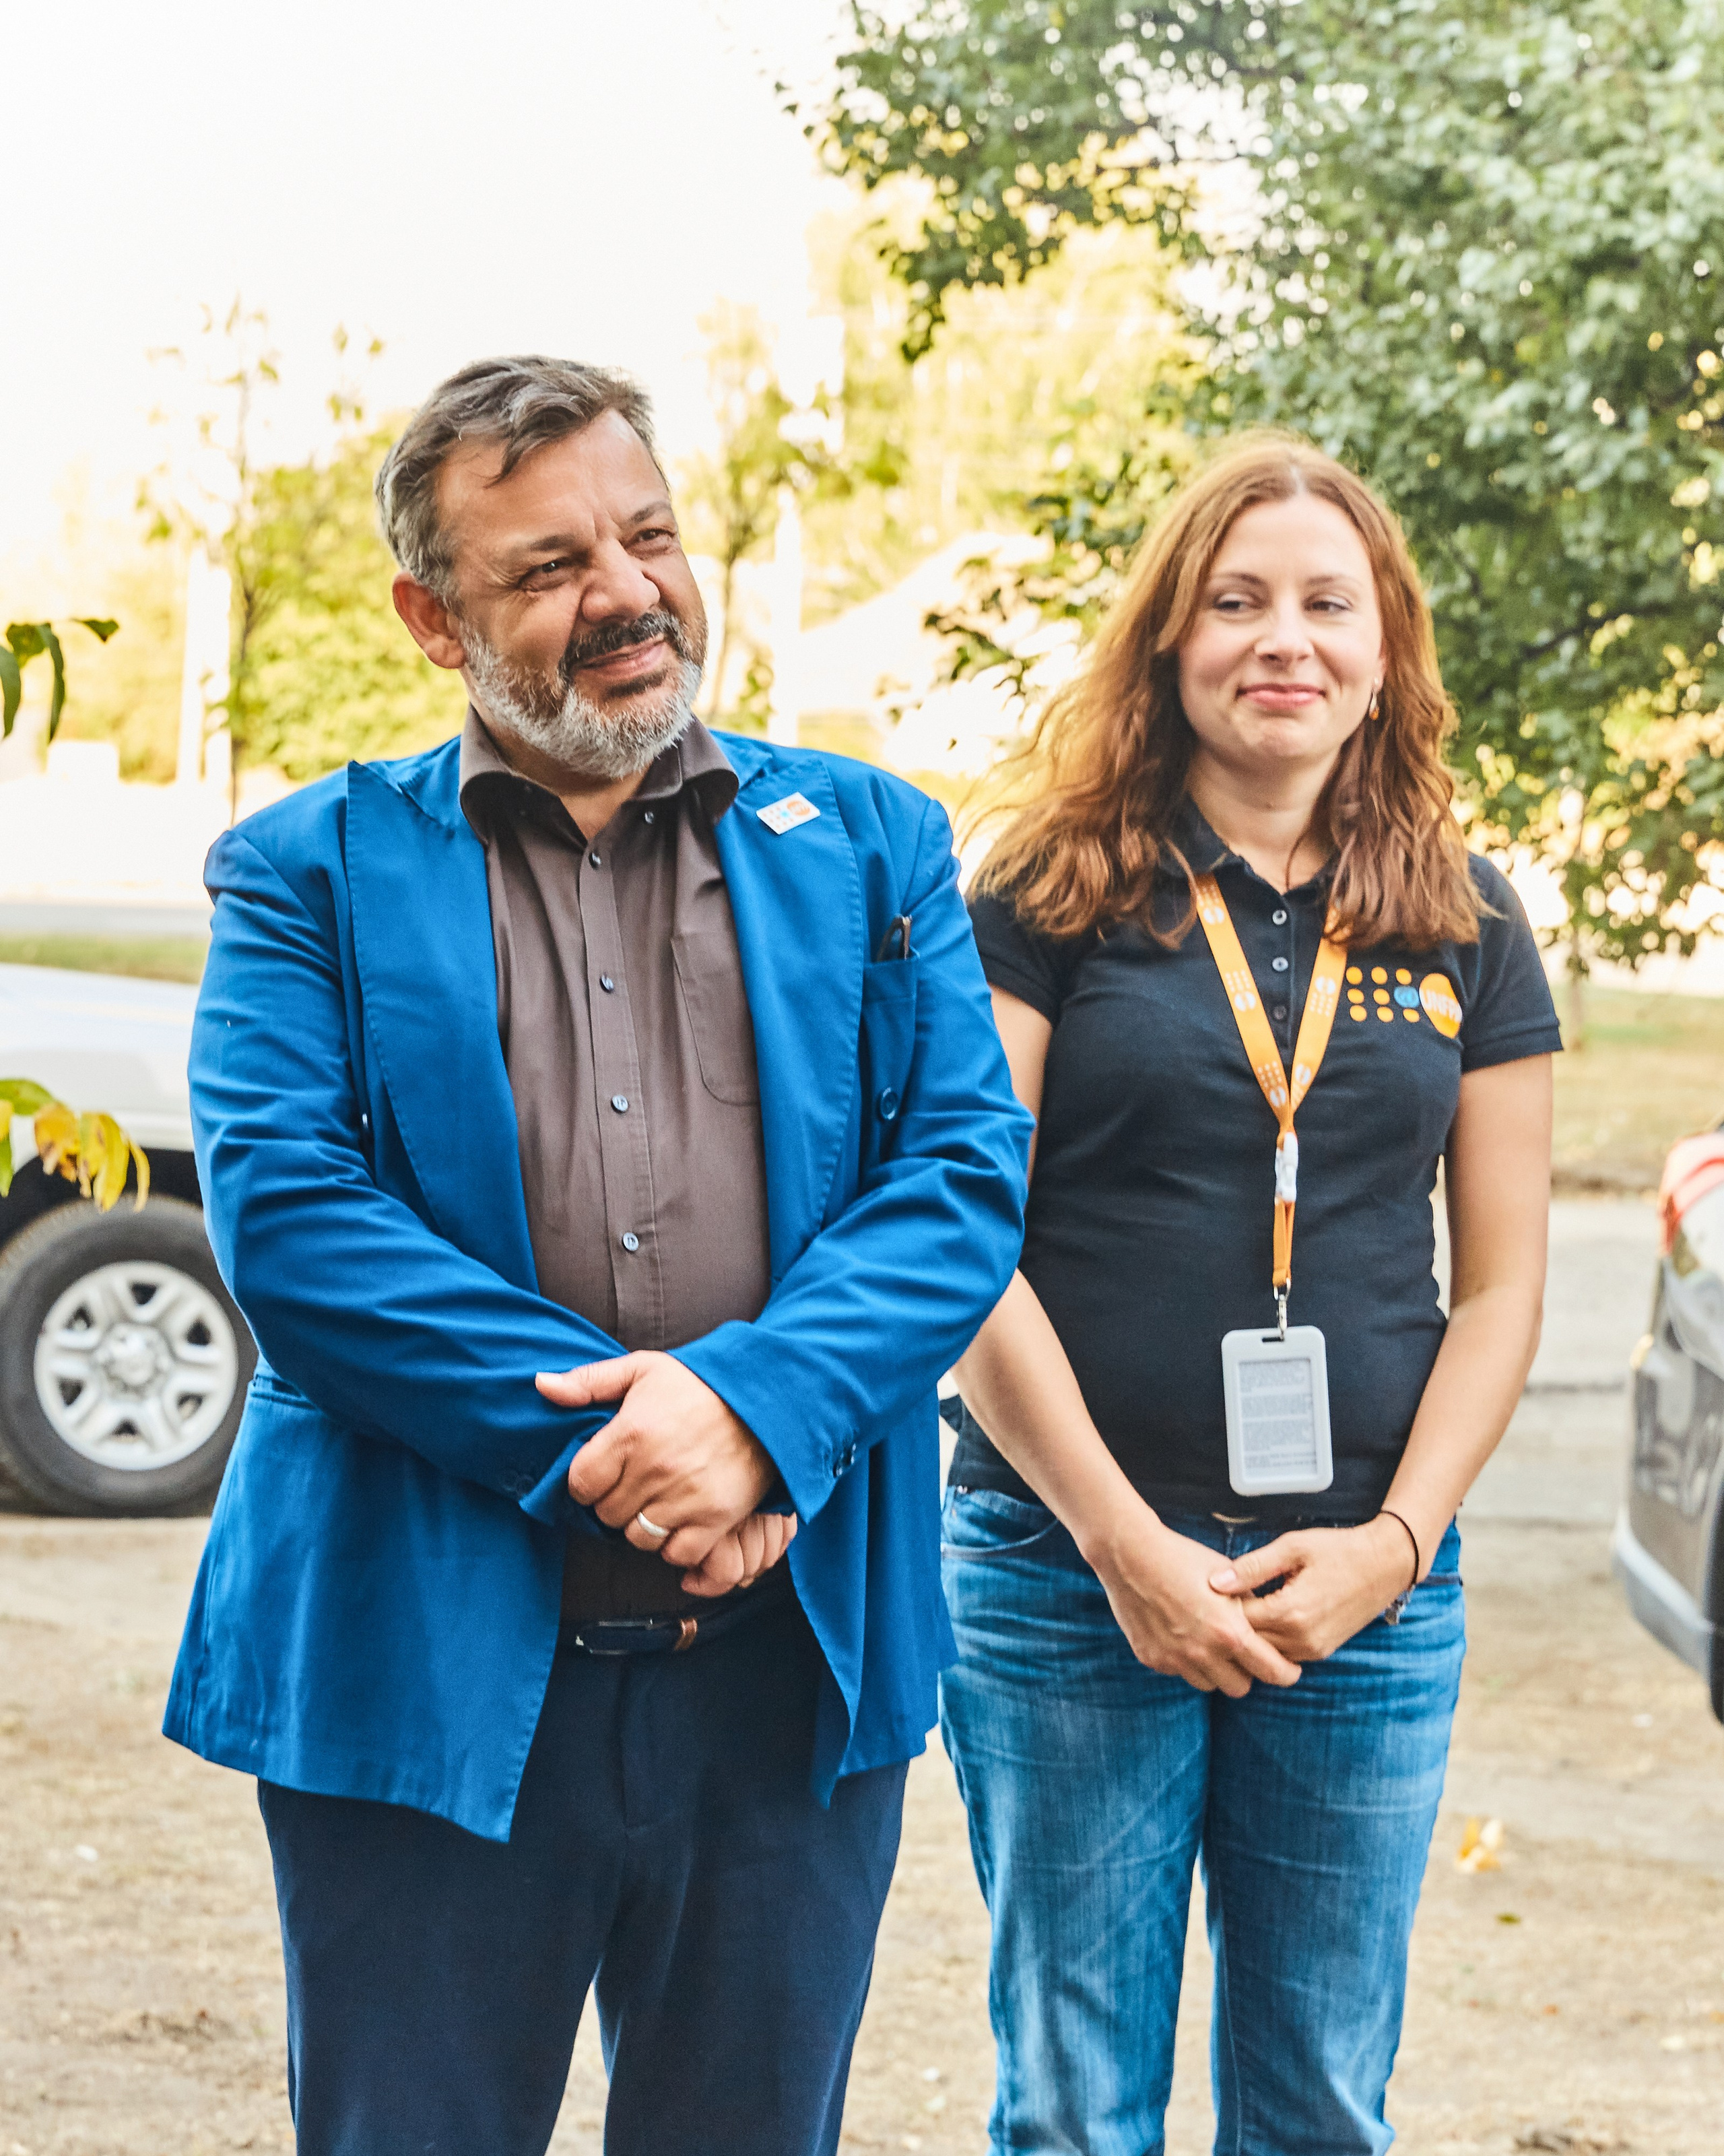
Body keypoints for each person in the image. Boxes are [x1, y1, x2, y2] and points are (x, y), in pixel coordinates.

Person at [163, 356, 1030, 2156]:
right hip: (421, 1665)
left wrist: (758, 1415)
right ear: (433, 618)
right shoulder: (302, 873)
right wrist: (637, 1453)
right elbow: (299, 1225)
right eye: (552, 565)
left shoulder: (873, 843)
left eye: (648, 535)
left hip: (789, 1670)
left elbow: (957, 1172)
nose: (630, 592)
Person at [940, 434, 1558, 2155]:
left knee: (1316, 2106)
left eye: (1323, 604)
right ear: (1166, 640)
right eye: (1234, 600)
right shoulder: (1042, 892)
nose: (1280, 638)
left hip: (1356, 1595)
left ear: (1381, 654)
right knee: (1071, 2106)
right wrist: (1120, 1541)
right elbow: (959, 1244)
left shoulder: (1466, 921)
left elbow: (1502, 1287)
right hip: (1066, 1579)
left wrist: (1397, 1545)